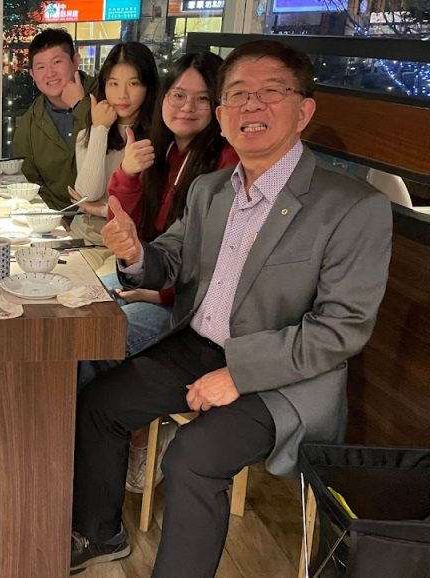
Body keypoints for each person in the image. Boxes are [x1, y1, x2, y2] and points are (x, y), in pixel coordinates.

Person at [70, 40, 392, 576]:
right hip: (198, 347)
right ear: (222, 116)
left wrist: (239, 373)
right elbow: (170, 259)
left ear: (304, 110)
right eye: (238, 94)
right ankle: (101, 534)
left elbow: (341, 330)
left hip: (284, 377)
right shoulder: (212, 189)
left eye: (271, 92)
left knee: (191, 458)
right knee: (100, 402)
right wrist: (134, 253)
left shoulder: (352, 207)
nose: (252, 106)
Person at [85, 52, 240, 493]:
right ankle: (86, 449)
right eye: (178, 95)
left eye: (202, 98)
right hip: (149, 278)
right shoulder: (164, 149)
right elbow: (125, 227)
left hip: (185, 309)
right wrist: (128, 174)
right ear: (164, 98)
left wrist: (157, 295)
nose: (187, 107)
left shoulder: (225, 163)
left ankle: (124, 442)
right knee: (76, 311)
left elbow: (216, 266)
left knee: (88, 345)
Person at [67, 42, 158, 270]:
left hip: (129, 248)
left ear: (148, 87)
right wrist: (100, 129)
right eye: (114, 84)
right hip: (83, 239)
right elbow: (88, 194)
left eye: (134, 84)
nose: (122, 94)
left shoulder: (156, 139)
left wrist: (100, 209)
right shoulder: (88, 134)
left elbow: (148, 208)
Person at [11, 28, 96, 214]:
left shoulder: (107, 95)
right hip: (60, 218)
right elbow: (32, 184)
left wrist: (80, 106)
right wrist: (57, 218)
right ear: (32, 74)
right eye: (41, 67)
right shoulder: (29, 124)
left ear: (75, 61)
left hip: (110, 216)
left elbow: (112, 147)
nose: (50, 73)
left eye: (57, 62)